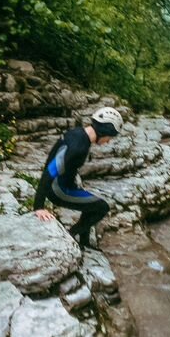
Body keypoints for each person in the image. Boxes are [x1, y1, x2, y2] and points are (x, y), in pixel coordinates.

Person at [33, 107, 123, 250]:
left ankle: (85, 242)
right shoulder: (78, 146)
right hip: (58, 190)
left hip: (66, 185)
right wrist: (38, 207)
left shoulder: (79, 134)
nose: (108, 142)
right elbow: (50, 171)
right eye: (110, 137)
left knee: (91, 204)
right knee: (101, 207)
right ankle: (71, 234)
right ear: (105, 131)